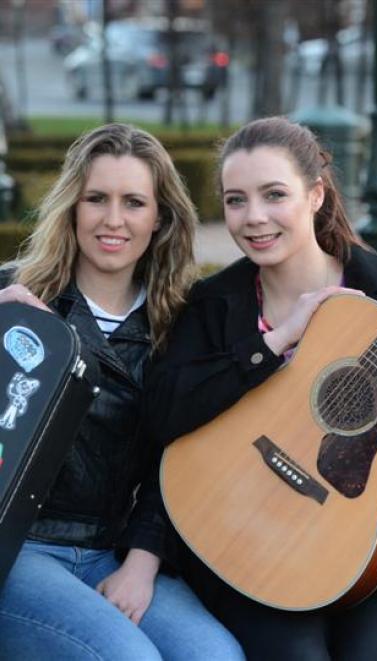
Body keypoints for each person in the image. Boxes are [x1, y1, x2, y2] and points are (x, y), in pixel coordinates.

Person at [142, 116, 377, 661]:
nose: (254, 217)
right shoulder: (214, 305)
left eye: (274, 195)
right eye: (236, 200)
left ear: (316, 194)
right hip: (248, 554)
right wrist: (273, 343)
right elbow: (165, 412)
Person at [0, 123, 244, 661]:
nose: (113, 220)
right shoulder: (17, 297)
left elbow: (183, 456)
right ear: (72, 208)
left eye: (134, 202)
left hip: (116, 552)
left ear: (159, 218)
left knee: (216, 656)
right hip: (17, 550)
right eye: (96, 199)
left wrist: (141, 562)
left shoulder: (180, 324)